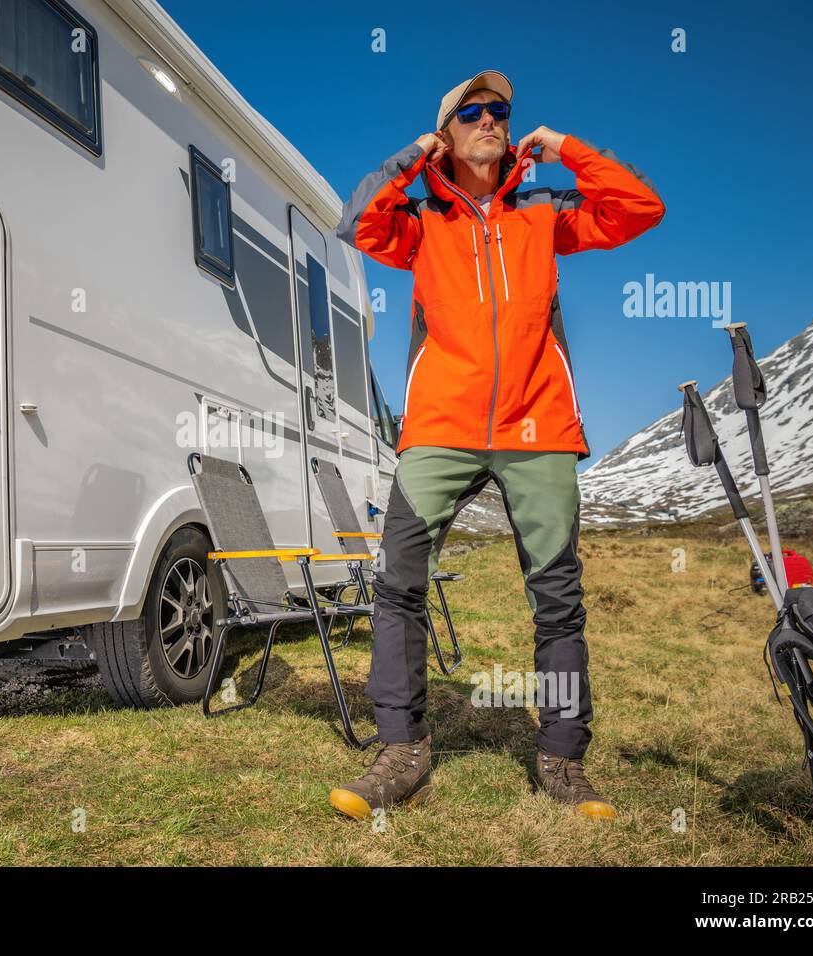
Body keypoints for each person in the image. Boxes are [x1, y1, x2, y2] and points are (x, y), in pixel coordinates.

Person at [329, 70, 665, 821]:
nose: (492, 119)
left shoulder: (542, 210)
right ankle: (402, 750)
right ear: (446, 134)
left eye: (501, 112)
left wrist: (569, 147)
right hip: (441, 428)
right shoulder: (419, 224)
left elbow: (641, 208)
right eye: (471, 112)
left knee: (557, 601)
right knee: (398, 584)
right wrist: (418, 152)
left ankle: (563, 759)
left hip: (538, 425)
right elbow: (356, 221)